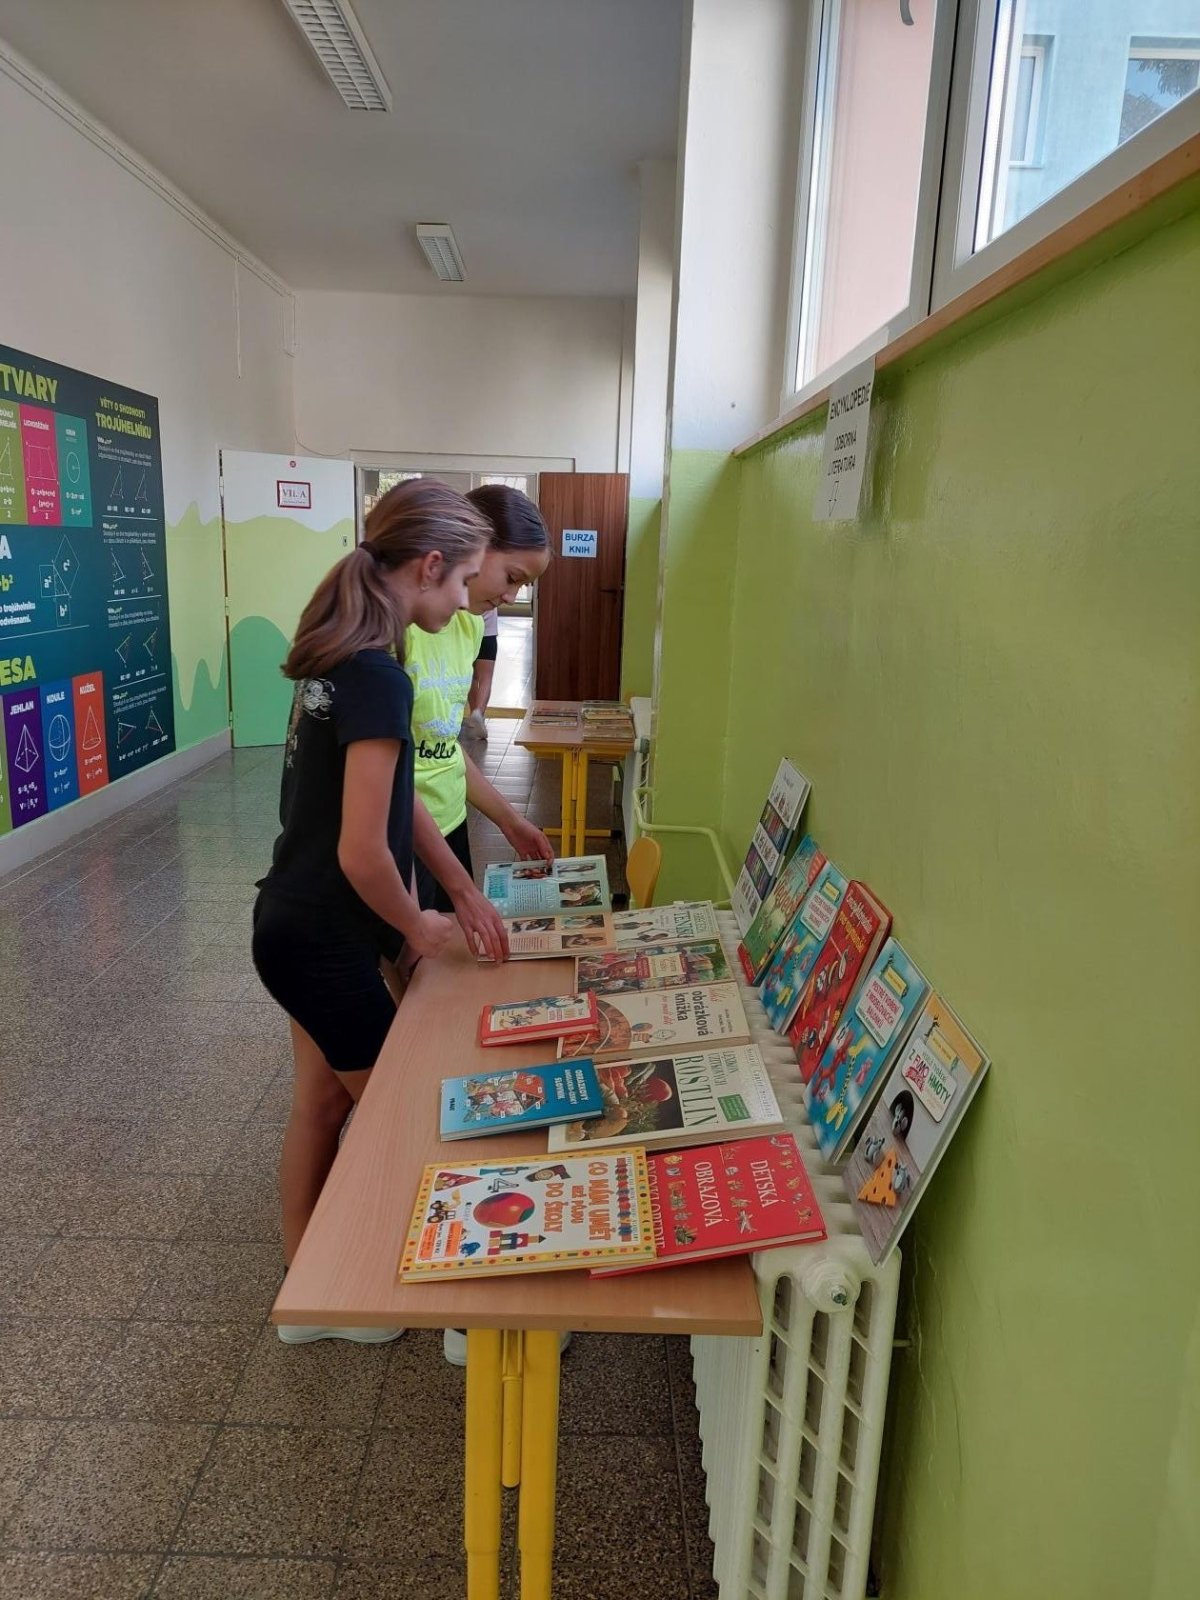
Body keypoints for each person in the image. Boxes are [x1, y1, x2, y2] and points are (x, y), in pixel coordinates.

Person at [252, 479, 500, 1345]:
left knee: (322, 1106)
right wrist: (416, 924)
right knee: (413, 1122)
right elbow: (364, 850)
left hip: (293, 924)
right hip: (322, 939)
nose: (466, 599)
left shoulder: (343, 656)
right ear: (428, 567)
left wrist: (459, 889)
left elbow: (401, 805)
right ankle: (466, 1316)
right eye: (463, 579)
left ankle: (307, 1299)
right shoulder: (377, 675)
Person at [407, 484, 555, 918]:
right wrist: (459, 889)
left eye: (523, 585)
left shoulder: (469, 626)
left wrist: (509, 819)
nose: (511, 597)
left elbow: (444, 749)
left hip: (448, 827)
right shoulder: (393, 631)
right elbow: (385, 780)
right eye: (512, 577)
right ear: (471, 546)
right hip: (398, 834)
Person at [461, 606, 498, 738]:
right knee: (485, 677)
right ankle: (479, 712)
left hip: (466, 631)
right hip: (488, 632)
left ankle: (473, 713)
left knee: (471, 675)